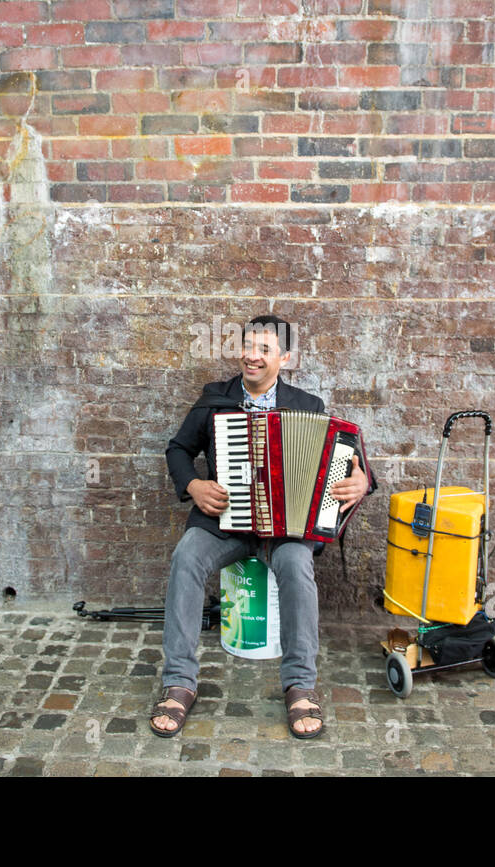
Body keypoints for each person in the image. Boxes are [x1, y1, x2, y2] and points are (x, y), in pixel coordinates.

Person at [151, 314, 372, 739]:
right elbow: (178, 450)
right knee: (186, 558)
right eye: (248, 346)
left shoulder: (308, 407)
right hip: (224, 525)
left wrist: (363, 481)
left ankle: (300, 684)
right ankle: (179, 681)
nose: (251, 356)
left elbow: (350, 461)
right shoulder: (215, 399)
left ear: (284, 358)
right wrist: (194, 485)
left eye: (264, 349)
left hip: (286, 531)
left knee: (297, 566)